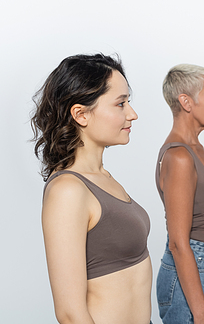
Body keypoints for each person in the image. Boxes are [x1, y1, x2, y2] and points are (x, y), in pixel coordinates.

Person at [31, 54, 152, 324]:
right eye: (120, 103)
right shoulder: (68, 190)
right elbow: (70, 314)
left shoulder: (104, 178)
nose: (132, 114)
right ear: (81, 114)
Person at [155, 64, 204, 324]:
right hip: (190, 270)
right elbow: (178, 242)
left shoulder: (196, 149)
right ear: (186, 102)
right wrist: (201, 315)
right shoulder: (179, 156)